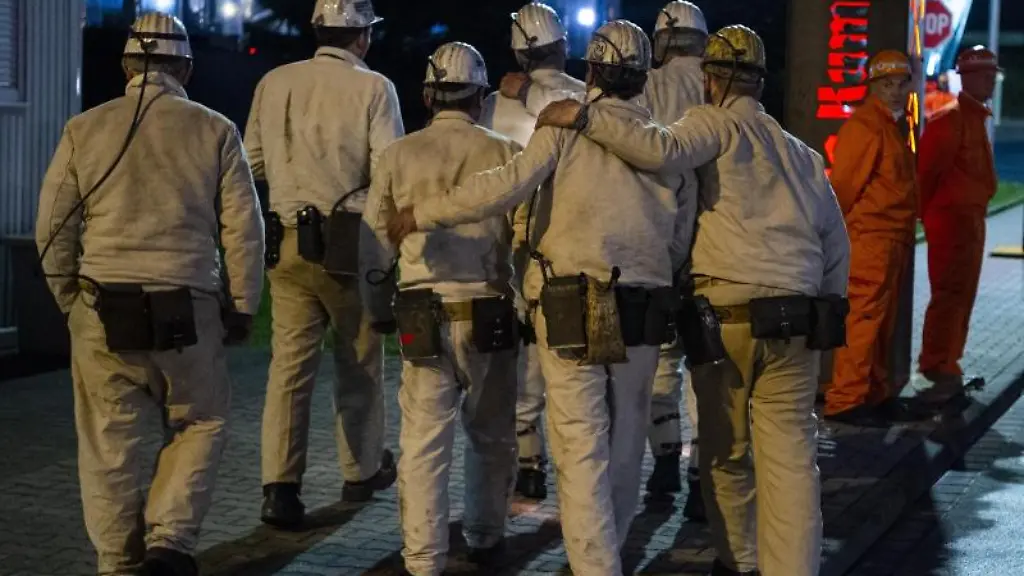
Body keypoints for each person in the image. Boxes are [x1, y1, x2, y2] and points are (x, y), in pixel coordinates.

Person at [533, 24, 850, 576]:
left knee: (725, 455)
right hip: (798, 318)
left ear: (711, 79)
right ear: (760, 80)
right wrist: (830, 322)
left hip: (728, 319)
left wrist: (585, 116)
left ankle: (738, 562)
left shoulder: (713, 124)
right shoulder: (801, 155)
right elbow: (836, 246)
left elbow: (658, 149)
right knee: (794, 461)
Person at [389, 21, 689, 575]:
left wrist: (423, 213)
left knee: (580, 446)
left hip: (571, 301)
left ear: (593, 71)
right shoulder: (664, 143)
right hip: (645, 305)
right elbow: (679, 237)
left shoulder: (563, 128)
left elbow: (504, 187)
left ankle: (595, 566)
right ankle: (606, 557)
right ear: (643, 76)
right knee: (626, 443)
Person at [35, 12, 264, 576]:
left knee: (110, 446)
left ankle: (118, 561)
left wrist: (71, 301)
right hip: (188, 309)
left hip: (101, 308)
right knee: (201, 421)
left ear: (125, 67)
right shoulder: (214, 129)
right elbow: (243, 229)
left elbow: (53, 228)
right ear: (185, 65)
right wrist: (243, 305)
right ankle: (170, 542)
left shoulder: (84, 129)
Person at [360, 41, 520, 576]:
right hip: (487, 311)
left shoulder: (399, 153)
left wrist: (375, 305)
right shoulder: (503, 152)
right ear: (480, 94)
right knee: (491, 434)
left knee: (423, 442)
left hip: (420, 311)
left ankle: (422, 558)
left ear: (428, 95)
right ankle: (485, 535)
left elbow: (375, 241)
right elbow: (520, 236)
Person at [244, 0, 404, 529]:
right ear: (361, 37)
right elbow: (390, 171)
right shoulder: (374, 88)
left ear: (319, 31)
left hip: (285, 242)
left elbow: (255, 163)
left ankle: (280, 489)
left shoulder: (273, 81)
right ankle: (360, 471)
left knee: (289, 369)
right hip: (347, 242)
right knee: (358, 362)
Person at [479, 2, 586, 501]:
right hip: (578, 245)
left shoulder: (494, 105)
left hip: (514, 247)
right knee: (574, 369)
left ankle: (529, 466)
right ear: (562, 46)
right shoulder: (588, 98)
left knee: (522, 363)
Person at [824, 50, 926, 428]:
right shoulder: (866, 127)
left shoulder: (888, 126)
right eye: (887, 84)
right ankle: (846, 400)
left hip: (889, 240)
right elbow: (844, 188)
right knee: (865, 321)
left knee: (881, 323)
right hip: (871, 240)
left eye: (901, 84)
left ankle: (875, 394)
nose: (896, 91)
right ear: (872, 86)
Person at [640, 1, 706, 517]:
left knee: (661, 364)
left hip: (656, 245)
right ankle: (703, 475)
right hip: (715, 248)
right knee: (707, 365)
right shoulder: (719, 85)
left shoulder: (646, 85)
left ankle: (664, 461)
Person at [915, 46, 1002, 405]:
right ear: (966, 78)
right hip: (951, 224)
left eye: (990, 75)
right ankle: (938, 365)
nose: (989, 82)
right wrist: (930, 217)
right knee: (949, 295)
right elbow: (926, 176)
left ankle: (948, 363)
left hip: (968, 223)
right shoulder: (949, 122)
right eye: (983, 75)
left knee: (961, 296)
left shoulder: (973, 119)